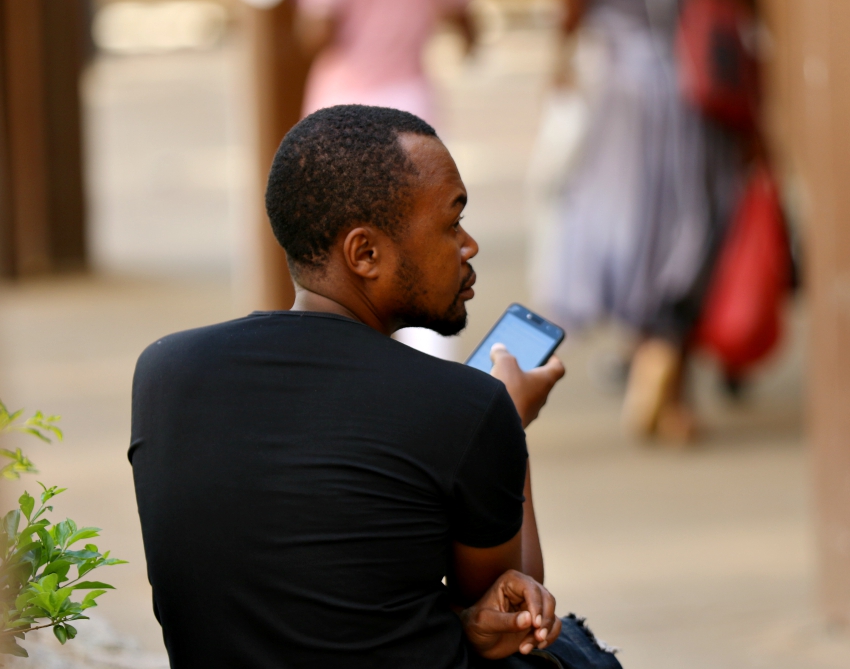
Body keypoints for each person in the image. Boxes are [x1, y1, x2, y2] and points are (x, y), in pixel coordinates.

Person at [130, 106, 621, 669]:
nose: (470, 246)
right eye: (451, 223)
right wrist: (508, 425)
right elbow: (512, 619)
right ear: (365, 254)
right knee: (573, 652)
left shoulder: (165, 370)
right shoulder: (465, 406)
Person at [536, 0, 744, 443]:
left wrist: (560, 63)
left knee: (639, 231)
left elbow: (570, 13)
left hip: (627, 93)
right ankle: (667, 372)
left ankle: (650, 355)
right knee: (687, 229)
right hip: (692, 86)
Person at [294, 0, 476, 361]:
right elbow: (465, 25)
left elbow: (316, 32)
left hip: (343, 104)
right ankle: (428, 359)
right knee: (422, 234)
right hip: (410, 105)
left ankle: (345, 353)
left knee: (333, 239)